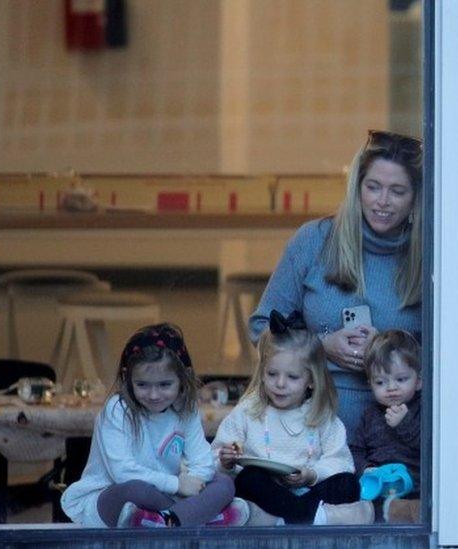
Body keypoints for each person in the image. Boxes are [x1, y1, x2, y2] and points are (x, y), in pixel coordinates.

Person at [250, 130, 423, 433]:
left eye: (397, 191)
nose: (382, 201)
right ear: (356, 189)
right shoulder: (313, 240)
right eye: (373, 187)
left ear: (415, 199)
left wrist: (386, 352)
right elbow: (260, 328)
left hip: (398, 430)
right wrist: (319, 346)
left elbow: (452, 354)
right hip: (306, 421)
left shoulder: (430, 257)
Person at [61, 323, 249, 528]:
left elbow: (202, 462)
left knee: (224, 483)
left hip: (170, 495)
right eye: (142, 385)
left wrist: (194, 483)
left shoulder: (185, 407)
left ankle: (164, 521)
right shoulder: (117, 409)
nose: (153, 395)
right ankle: (198, 518)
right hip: (115, 495)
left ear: (182, 379)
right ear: (128, 379)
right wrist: (178, 485)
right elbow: (122, 472)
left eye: (164, 385)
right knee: (135, 489)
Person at [213, 310, 370, 525]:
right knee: (249, 479)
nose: (280, 384)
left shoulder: (321, 415)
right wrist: (226, 461)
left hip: (309, 490)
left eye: (292, 377)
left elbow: (341, 462)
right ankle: (314, 518)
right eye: (272, 374)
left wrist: (311, 475)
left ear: (311, 380)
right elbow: (214, 459)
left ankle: (289, 519)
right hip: (269, 493)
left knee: (348, 483)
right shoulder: (248, 411)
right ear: (262, 373)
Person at [349, 329, 423, 523]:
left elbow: (431, 447)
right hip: (377, 487)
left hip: (415, 487)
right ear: (370, 384)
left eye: (401, 379)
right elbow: (355, 450)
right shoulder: (370, 415)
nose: (391, 388)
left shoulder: (424, 409)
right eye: (381, 382)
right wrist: (366, 468)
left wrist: (404, 424)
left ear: (419, 381)